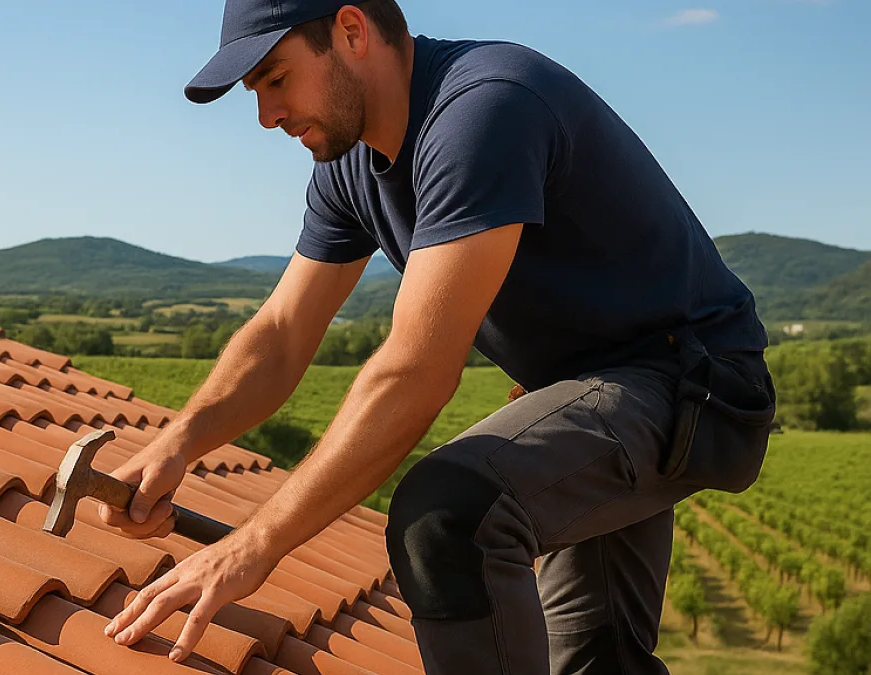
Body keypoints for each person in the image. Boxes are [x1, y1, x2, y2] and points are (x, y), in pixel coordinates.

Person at [100, 1, 777, 672]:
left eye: (276, 78)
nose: (266, 116)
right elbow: (281, 333)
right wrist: (177, 443)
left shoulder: (484, 110)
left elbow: (415, 373)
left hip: (690, 382)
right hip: (585, 391)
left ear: (352, 31)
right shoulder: (348, 168)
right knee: (597, 662)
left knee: (450, 513)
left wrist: (254, 544)